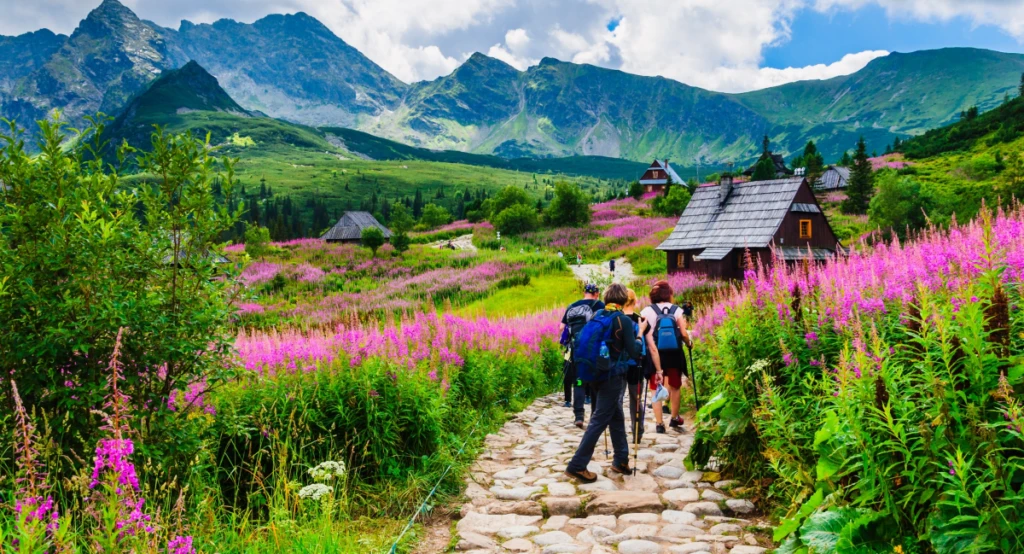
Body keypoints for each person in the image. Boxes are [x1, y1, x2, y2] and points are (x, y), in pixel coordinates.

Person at [564, 284, 642, 483]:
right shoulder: (622, 320)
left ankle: (620, 460)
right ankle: (577, 465)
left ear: (606, 298)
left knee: (615, 416)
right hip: (612, 376)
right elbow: (634, 352)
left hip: (594, 373)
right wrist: (639, 335)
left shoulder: (598, 314)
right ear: (624, 300)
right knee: (599, 420)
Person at [641, 280, 693, 433]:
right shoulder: (676, 310)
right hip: (674, 352)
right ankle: (675, 418)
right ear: (668, 294)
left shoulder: (646, 311)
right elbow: (683, 333)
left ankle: (659, 423)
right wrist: (689, 343)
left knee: (655, 386)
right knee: (676, 385)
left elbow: (643, 332)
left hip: (654, 352)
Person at [560, 283, 605, 425]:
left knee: (578, 381)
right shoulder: (599, 305)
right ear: (596, 293)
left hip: (575, 348)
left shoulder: (572, 306)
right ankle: (594, 416)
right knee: (594, 382)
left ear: (584, 292)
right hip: (593, 349)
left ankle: (578, 416)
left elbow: (562, 326)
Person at [624, 289, 660, 444]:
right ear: (635, 301)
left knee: (616, 400)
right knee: (636, 399)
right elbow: (651, 346)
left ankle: (616, 432)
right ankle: (637, 430)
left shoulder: (615, 319)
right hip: (636, 364)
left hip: (618, 365)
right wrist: (658, 369)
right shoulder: (642, 320)